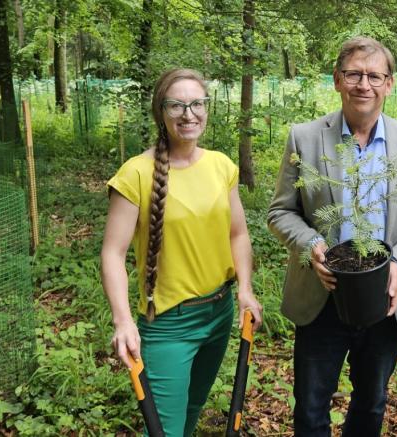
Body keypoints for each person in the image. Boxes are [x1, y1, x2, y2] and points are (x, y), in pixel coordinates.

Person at [267, 36, 397, 437]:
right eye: (353, 74)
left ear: (390, 84)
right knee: (312, 406)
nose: (363, 84)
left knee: (371, 404)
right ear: (337, 80)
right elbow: (280, 211)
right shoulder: (306, 139)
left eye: (374, 75)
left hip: (385, 296)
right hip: (323, 294)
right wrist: (312, 244)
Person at [101, 68, 263, 437]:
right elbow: (112, 253)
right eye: (177, 105)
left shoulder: (221, 165)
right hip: (168, 324)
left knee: (191, 407)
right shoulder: (136, 174)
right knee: (165, 429)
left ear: (207, 108)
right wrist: (123, 320)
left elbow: (238, 234)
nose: (188, 114)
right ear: (161, 111)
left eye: (196, 104)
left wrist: (246, 290)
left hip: (219, 313)